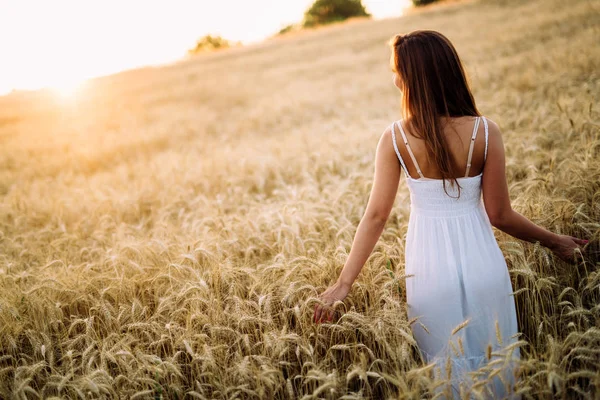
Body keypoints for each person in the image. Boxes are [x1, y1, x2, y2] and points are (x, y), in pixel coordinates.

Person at [312, 30, 588, 399]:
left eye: (396, 70)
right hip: (484, 266)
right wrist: (557, 243)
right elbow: (501, 215)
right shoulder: (485, 132)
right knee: (500, 368)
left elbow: (376, 216)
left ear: (413, 77)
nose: (393, 78)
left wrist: (344, 284)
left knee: (447, 377)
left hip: (428, 272)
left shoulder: (395, 138)